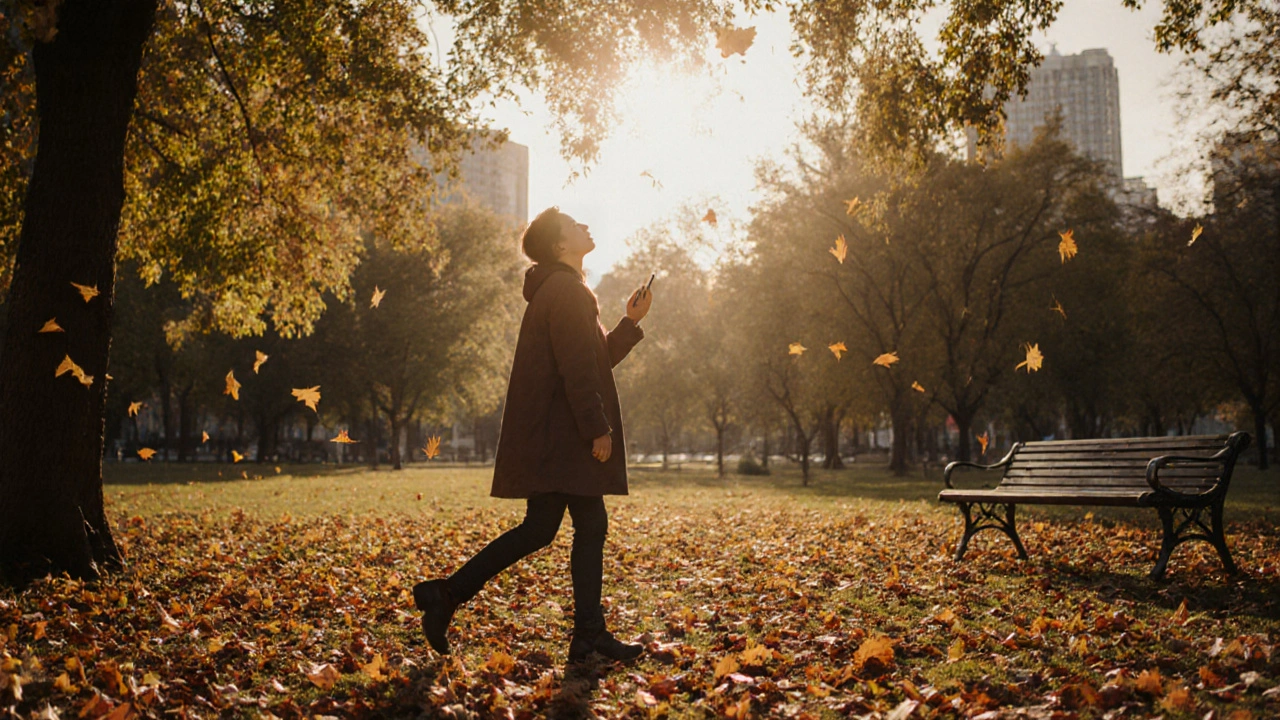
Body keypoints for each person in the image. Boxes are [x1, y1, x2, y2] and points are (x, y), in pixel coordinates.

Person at [413, 206, 653, 664]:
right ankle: (586, 635)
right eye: (574, 224)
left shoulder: (568, 290)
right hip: (564, 436)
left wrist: (630, 322)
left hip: (557, 435)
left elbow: (592, 359)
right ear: (561, 245)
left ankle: (448, 595)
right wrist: (596, 427)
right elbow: (578, 370)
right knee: (582, 525)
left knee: (543, 528)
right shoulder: (566, 291)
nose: (586, 224)